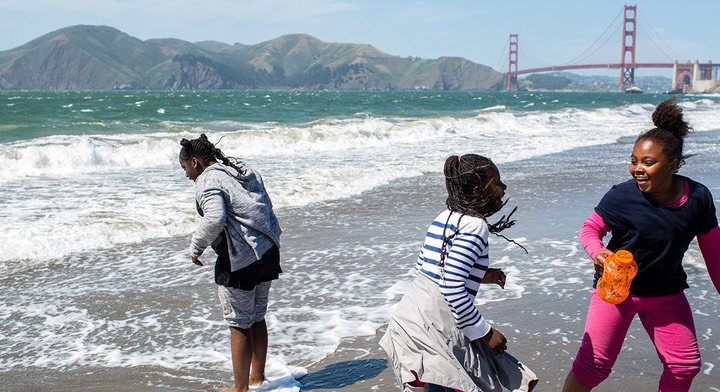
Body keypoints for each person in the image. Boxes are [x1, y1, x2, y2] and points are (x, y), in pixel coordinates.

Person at [561, 98, 720, 392]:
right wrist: (598, 252)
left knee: (685, 366)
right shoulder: (622, 197)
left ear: (672, 165)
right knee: (594, 366)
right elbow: (590, 229)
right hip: (617, 290)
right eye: (634, 161)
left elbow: (714, 252)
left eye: (648, 162)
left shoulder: (698, 198)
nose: (637, 169)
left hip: (666, 292)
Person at [380, 154, 538, 392]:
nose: (503, 189)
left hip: (413, 312)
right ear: (477, 190)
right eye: (497, 183)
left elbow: (428, 267)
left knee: (440, 381)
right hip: (439, 319)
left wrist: (483, 274)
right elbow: (452, 287)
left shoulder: (444, 217)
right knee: (459, 382)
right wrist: (486, 333)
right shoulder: (476, 227)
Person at [179, 134, 282, 392]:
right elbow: (265, 206)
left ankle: (239, 389)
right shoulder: (241, 171)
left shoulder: (207, 180)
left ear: (195, 162)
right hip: (267, 250)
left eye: (185, 169)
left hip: (241, 260)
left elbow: (215, 218)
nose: (186, 175)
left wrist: (196, 248)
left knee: (238, 324)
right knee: (257, 316)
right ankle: (256, 378)